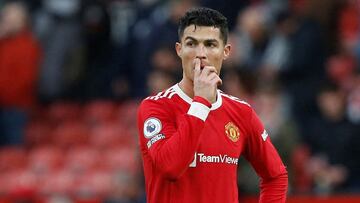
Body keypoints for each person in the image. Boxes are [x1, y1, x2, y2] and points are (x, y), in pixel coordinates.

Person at [137, 7, 288, 203]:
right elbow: (170, 167)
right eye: (191, 44)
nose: (201, 54)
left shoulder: (241, 112)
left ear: (225, 52)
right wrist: (201, 103)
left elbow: (276, 176)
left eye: (210, 44)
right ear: (179, 50)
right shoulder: (156, 107)